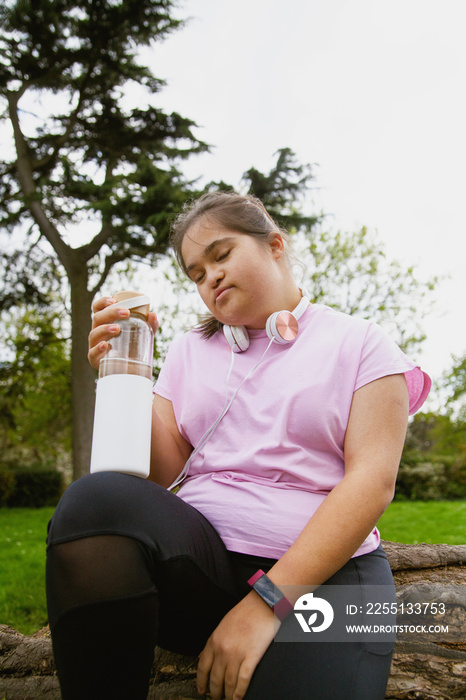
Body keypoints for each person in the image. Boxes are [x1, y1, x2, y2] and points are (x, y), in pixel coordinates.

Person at [46, 191, 431, 700]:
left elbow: (372, 484)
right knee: (92, 501)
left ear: (274, 245)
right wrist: (128, 372)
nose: (210, 277)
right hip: (202, 565)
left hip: (328, 577)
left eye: (221, 255)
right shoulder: (189, 349)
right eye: (196, 273)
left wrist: (264, 604)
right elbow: (157, 475)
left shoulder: (363, 344)